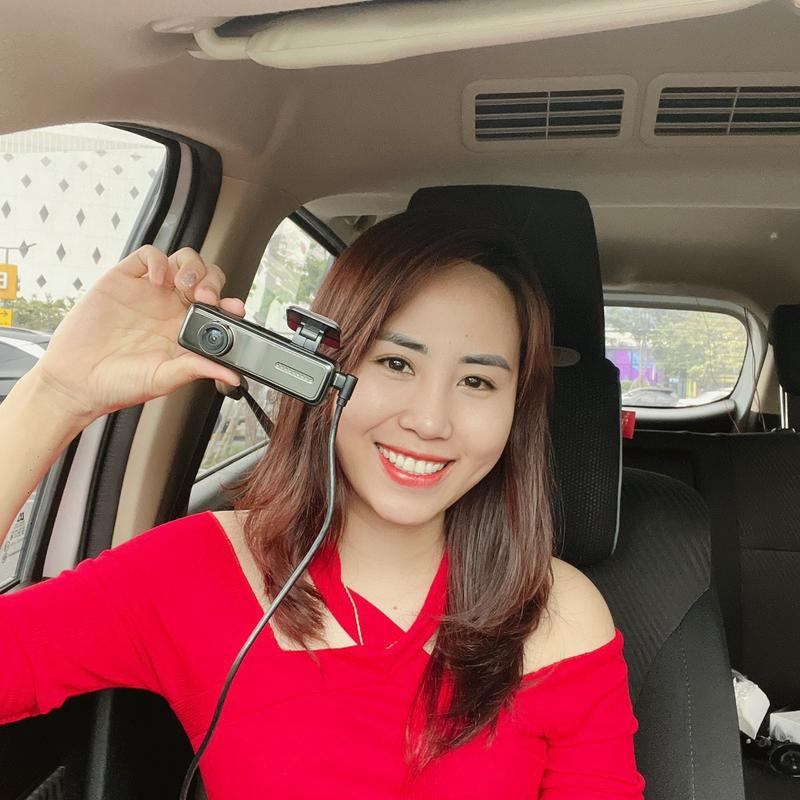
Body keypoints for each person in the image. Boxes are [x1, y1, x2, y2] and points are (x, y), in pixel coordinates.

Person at [0, 210, 646, 798]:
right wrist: (56, 394)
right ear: (321, 370)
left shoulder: (559, 614)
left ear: (515, 412)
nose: (430, 420)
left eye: (477, 380)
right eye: (396, 363)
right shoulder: (195, 568)